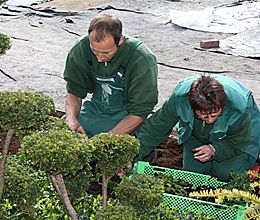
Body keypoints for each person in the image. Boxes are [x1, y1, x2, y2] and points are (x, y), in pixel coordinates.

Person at [135, 74, 260, 181]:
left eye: (214, 115)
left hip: (237, 138)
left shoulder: (238, 108)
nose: (210, 120)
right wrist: (133, 155)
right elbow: (155, 128)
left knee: (227, 174)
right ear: (192, 107)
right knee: (191, 177)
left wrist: (214, 149)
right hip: (197, 132)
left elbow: (238, 142)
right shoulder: (180, 99)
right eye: (205, 116)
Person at [63, 14, 158, 137]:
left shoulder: (141, 58)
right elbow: (74, 91)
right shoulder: (80, 48)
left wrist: (107, 140)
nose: (100, 58)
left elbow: (139, 111)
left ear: (121, 40)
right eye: (95, 51)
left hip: (128, 113)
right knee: (65, 133)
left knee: (135, 143)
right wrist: (71, 120)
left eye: (106, 52)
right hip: (96, 109)